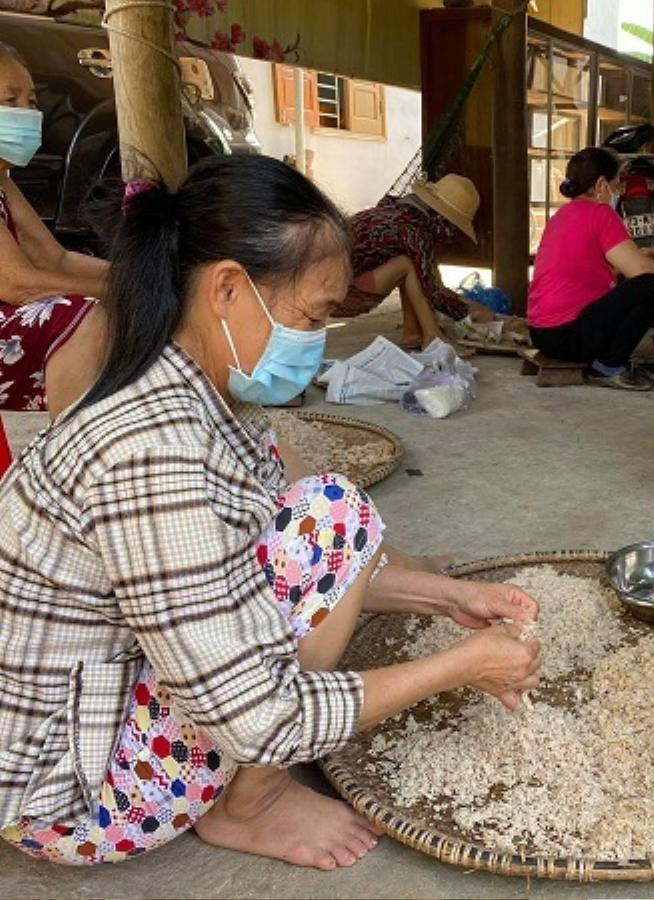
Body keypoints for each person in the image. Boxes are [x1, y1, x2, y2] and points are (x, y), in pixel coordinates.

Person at [0, 154, 542, 868]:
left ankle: (240, 795)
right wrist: (461, 666)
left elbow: (253, 556)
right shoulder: (153, 454)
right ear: (227, 288)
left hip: (100, 690)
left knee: (325, 513)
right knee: (332, 512)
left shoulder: (185, 382)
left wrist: (448, 600)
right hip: (67, 799)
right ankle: (249, 803)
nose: (316, 344)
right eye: (312, 316)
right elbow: (258, 719)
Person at [0, 41, 108, 417]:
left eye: (30, 102)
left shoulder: (2, 181)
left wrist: (141, 275)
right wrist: (134, 292)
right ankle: (70, 451)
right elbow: (20, 284)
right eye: (9, 100)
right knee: (82, 315)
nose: (26, 113)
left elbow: (56, 258)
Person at [527, 147, 654, 391]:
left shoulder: (562, 215)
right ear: (601, 184)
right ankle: (607, 367)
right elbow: (642, 271)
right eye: (616, 183)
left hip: (541, 334)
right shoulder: (601, 213)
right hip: (570, 336)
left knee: (633, 281)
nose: (618, 191)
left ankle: (602, 360)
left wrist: (637, 256)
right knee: (651, 286)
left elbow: (585, 268)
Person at [345, 173, 495, 349]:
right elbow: (434, 292)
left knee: (409, 265)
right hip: (343, 295)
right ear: (441, 218)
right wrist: (472, 311)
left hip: (337, 286)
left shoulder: (397, 211)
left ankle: (412, 333)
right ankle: (433, 338)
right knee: (407, 265)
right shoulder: (414, 229)